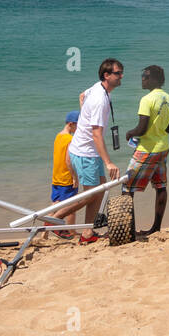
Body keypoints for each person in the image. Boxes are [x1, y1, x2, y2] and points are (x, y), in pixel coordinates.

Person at [68, 58, 123, 243]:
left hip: (90, 151)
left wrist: (84, 114)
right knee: (90, 195)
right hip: (86, 153)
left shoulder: (98, 88)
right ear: (106, 76)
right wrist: (108, 162)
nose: (121, 76)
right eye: (117, 73)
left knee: (98, 192)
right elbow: (97, 134)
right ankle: (53, 218)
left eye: (121, 72)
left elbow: (82, 95)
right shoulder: (100, 100)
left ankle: (87, 233)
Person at [123, 64, 169, 235]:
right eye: (142, 76)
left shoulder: (146, 100)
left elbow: (142, 129)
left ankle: (127, 229)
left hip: (146, 150)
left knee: (127, 188)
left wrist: (130, 133)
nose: (143, 79)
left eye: (145, 76)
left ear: (154, 79)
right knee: (160, 186)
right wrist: (158, 129)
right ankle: (156, 228)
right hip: (163, 148)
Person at [49, 110, 81, 235]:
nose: (79, 129)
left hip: (56, 177)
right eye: (78, 125)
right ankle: (71, 231)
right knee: (71, 207)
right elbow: (68, 160)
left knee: (55, 206)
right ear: (71, 124)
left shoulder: (58, 136)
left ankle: (44, 232)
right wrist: (74, 177)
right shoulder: (70, 139)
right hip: (66, 177)